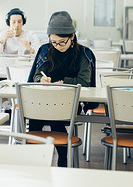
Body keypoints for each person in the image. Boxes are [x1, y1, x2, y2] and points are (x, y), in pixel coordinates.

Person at [27, 11, 96, 167]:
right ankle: (41, 161)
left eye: (61, 42)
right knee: (39, 114)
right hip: (45, 102)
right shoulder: (46, 50)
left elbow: (84, 82)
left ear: (72, 36)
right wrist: (41, 79)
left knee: (45, 115)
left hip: (70, 104)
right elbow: (36, 76)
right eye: (53, 42)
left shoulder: (84, 54)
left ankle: (48, 160)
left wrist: (63, 82)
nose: (57, 46)